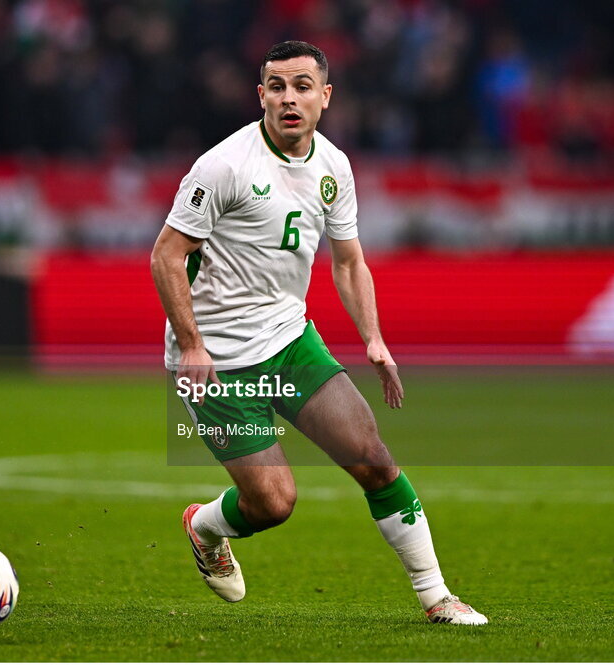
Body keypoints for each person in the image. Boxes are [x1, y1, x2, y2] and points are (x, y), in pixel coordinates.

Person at [150, 41, 487, 625]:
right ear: (260, 96)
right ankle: (205, 525)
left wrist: (374, 339)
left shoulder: (334, 167)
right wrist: (194, 346)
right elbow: (165, 257)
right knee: (274, 504)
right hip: (218, 363)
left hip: (289, 341)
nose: (289, 98)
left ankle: (437, 598)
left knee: (375, 461)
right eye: (277, 86)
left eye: (302, 86)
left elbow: (350, 261)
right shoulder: (223, 165)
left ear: (325, 98)